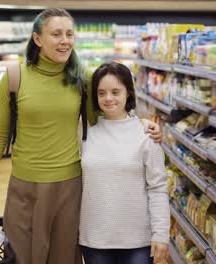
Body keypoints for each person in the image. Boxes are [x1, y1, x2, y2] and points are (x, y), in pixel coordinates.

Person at [0, 8, 162, 264]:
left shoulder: (82, 81)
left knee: (63, 258)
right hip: (23, 188)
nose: (65, 40)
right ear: (38, 39)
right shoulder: (15, 78)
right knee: (21, 256)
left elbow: (108, 118)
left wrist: (141, 125)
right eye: (56, 34)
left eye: (69, 34)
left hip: (68, 187)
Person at [79, 62, 170, 264]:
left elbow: (158, 188)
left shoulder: (146, 135)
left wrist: (161, 234)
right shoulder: (85, 136)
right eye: (101, 93)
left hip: (138, 241)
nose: (108, 98)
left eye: (115, 92)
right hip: (95, 240)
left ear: (128, 92)